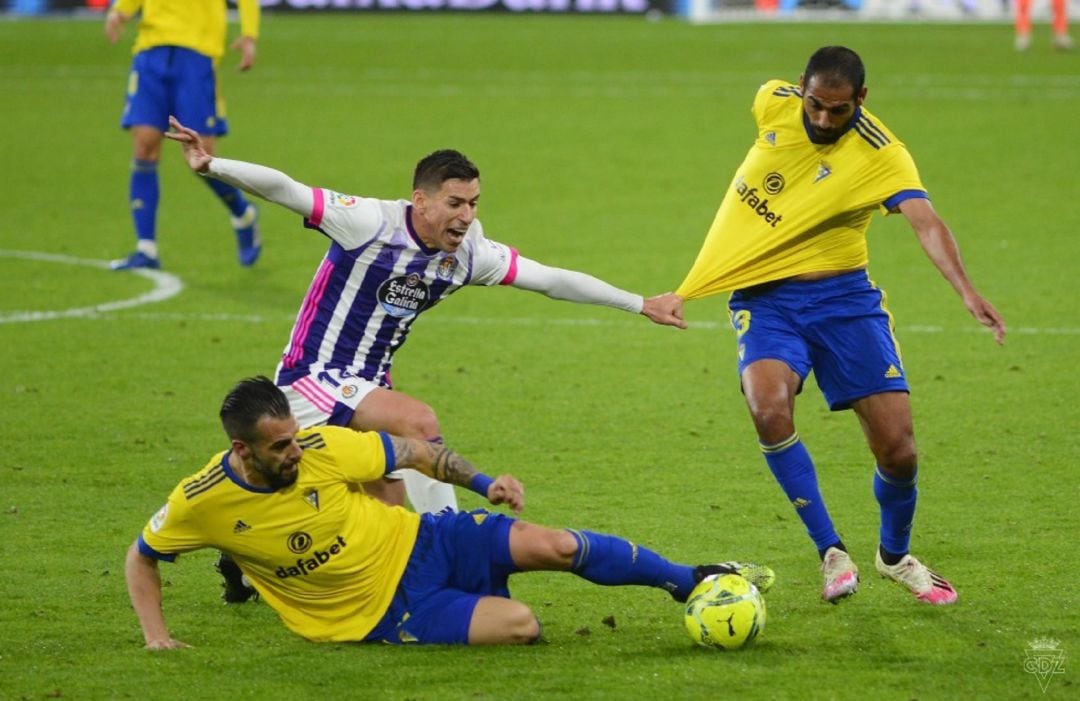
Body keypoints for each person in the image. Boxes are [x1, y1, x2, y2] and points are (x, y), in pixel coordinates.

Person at [163, 116, 687, 601]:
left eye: (475, 203)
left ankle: (244, 558)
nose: (467, 215)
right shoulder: (369, 223)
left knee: (382, 508)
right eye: (456, 203)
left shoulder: (470, 253)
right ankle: (458, 558)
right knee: (418, 422)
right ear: (420, 200)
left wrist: (641, 304)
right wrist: (212, 164)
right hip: (312, 378)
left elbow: (550, 279)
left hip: (369, 385)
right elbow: (288, 190)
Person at [660, 47, 1006, 606]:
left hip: (844, 301)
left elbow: (926, 221)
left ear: (861, 101)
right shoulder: (773, 103)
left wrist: (965, 288)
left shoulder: (883, 155)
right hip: (767, 298)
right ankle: (830, 551)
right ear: (801, 88)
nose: (822, 120)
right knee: (768, 408)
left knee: (899, 452)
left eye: (837, 111)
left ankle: (894, 557)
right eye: (815, 105)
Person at [125, 376, 774, 648]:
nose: (296, 451)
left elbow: (411, 450)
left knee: (557, 545)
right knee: (521, 624)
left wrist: (484, 480)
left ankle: (693, 578)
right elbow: (143, 555)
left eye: (295, 437)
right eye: (279, 446)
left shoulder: (319, 446)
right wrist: (156, 634)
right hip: (382, 610)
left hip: (427, 539)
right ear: (242, 449)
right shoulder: (201, 499)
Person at [105, 0, 262, 271]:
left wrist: (249, 34)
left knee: (201, 158)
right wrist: (121, 11)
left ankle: (243, 213)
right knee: (144, 148)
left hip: (197, 54)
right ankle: (146, 248)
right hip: (150, 50)